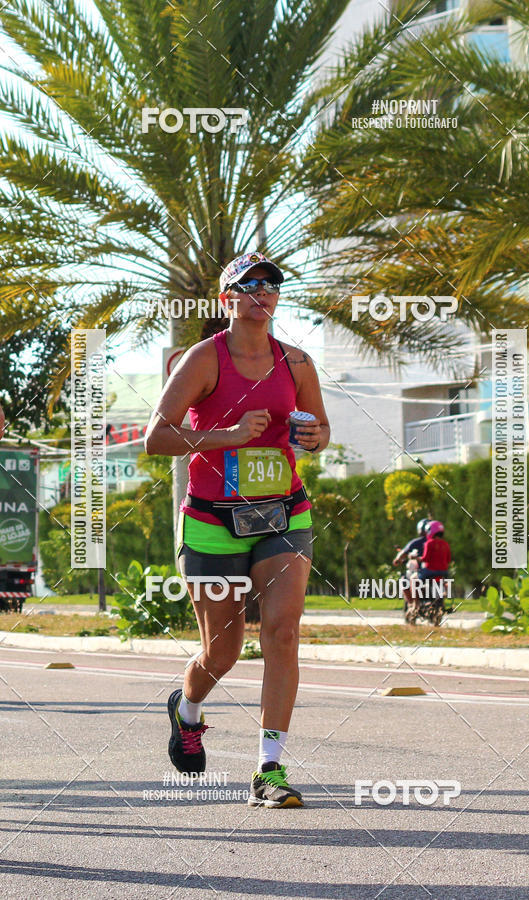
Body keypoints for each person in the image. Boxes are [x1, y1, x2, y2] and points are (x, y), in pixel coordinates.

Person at [145, 250, 330, 808]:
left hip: (282, 514)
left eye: (271, 285)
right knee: (222, 654)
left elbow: (321, 429)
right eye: (249, 286)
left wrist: (314, 438)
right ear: (228, 299)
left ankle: (269, 770)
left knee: (283, 633)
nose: (262, 293)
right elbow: (156, 438)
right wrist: (228, 435)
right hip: (212, 521)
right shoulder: (204, 359)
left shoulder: (297, 362)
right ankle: (188, 709)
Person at [392, 519, 429, 610]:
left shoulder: (417, 542)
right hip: (438, 571)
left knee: (404, 580)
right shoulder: (438, 542)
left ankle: (413, 604)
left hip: (423, 571)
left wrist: (397, 559)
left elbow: (403, 553)